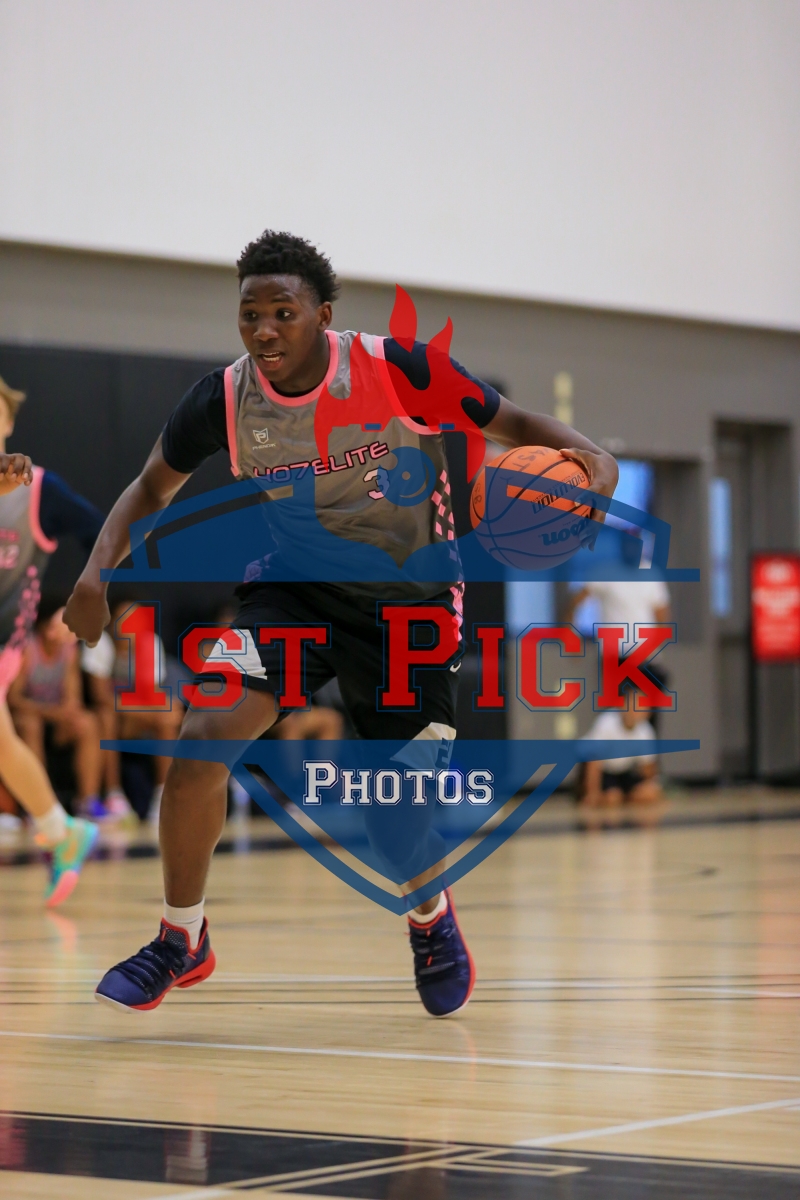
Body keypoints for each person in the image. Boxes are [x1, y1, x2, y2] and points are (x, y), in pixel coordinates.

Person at [64, 230, 618, 1015]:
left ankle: (429, 915)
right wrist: (96, 572)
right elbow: (151, 487)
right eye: (250, 314)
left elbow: (518, 424)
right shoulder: (225, 399)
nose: (264, 330)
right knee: (201, 741)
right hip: (297, 592)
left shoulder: (398, 370)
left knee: (393, 825)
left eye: (282, 312)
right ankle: (181, 938)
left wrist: (597, 461)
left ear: (323, 314)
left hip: (411, 609)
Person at [0, 374, 105, 905]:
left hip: (4, 641)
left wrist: (88, 597)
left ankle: (59, 828)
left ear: (8, 420)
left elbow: (103, 531)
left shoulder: (38, 488)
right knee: (3, 745)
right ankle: (61, 830)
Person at [9, 600, 103, 814]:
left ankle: (87, 801)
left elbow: (72, 697)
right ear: (45, 626)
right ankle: (39, 806)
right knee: (30, 725)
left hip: (55, 719)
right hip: (28, 717)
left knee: (87, 723)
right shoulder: (27, 649)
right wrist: (51, 712)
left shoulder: (69, 651)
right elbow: (14, 699)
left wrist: (67, 711)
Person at [580, 692, 664, 807]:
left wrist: (652, 785)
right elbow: (594, 761)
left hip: (625, 771)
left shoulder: (646, 731)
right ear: (623, 705)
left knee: (650, 794)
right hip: (604, 771)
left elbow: (648, 768)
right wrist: (592, 792)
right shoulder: (606, 723)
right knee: (612, 797)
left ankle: (623, 798)